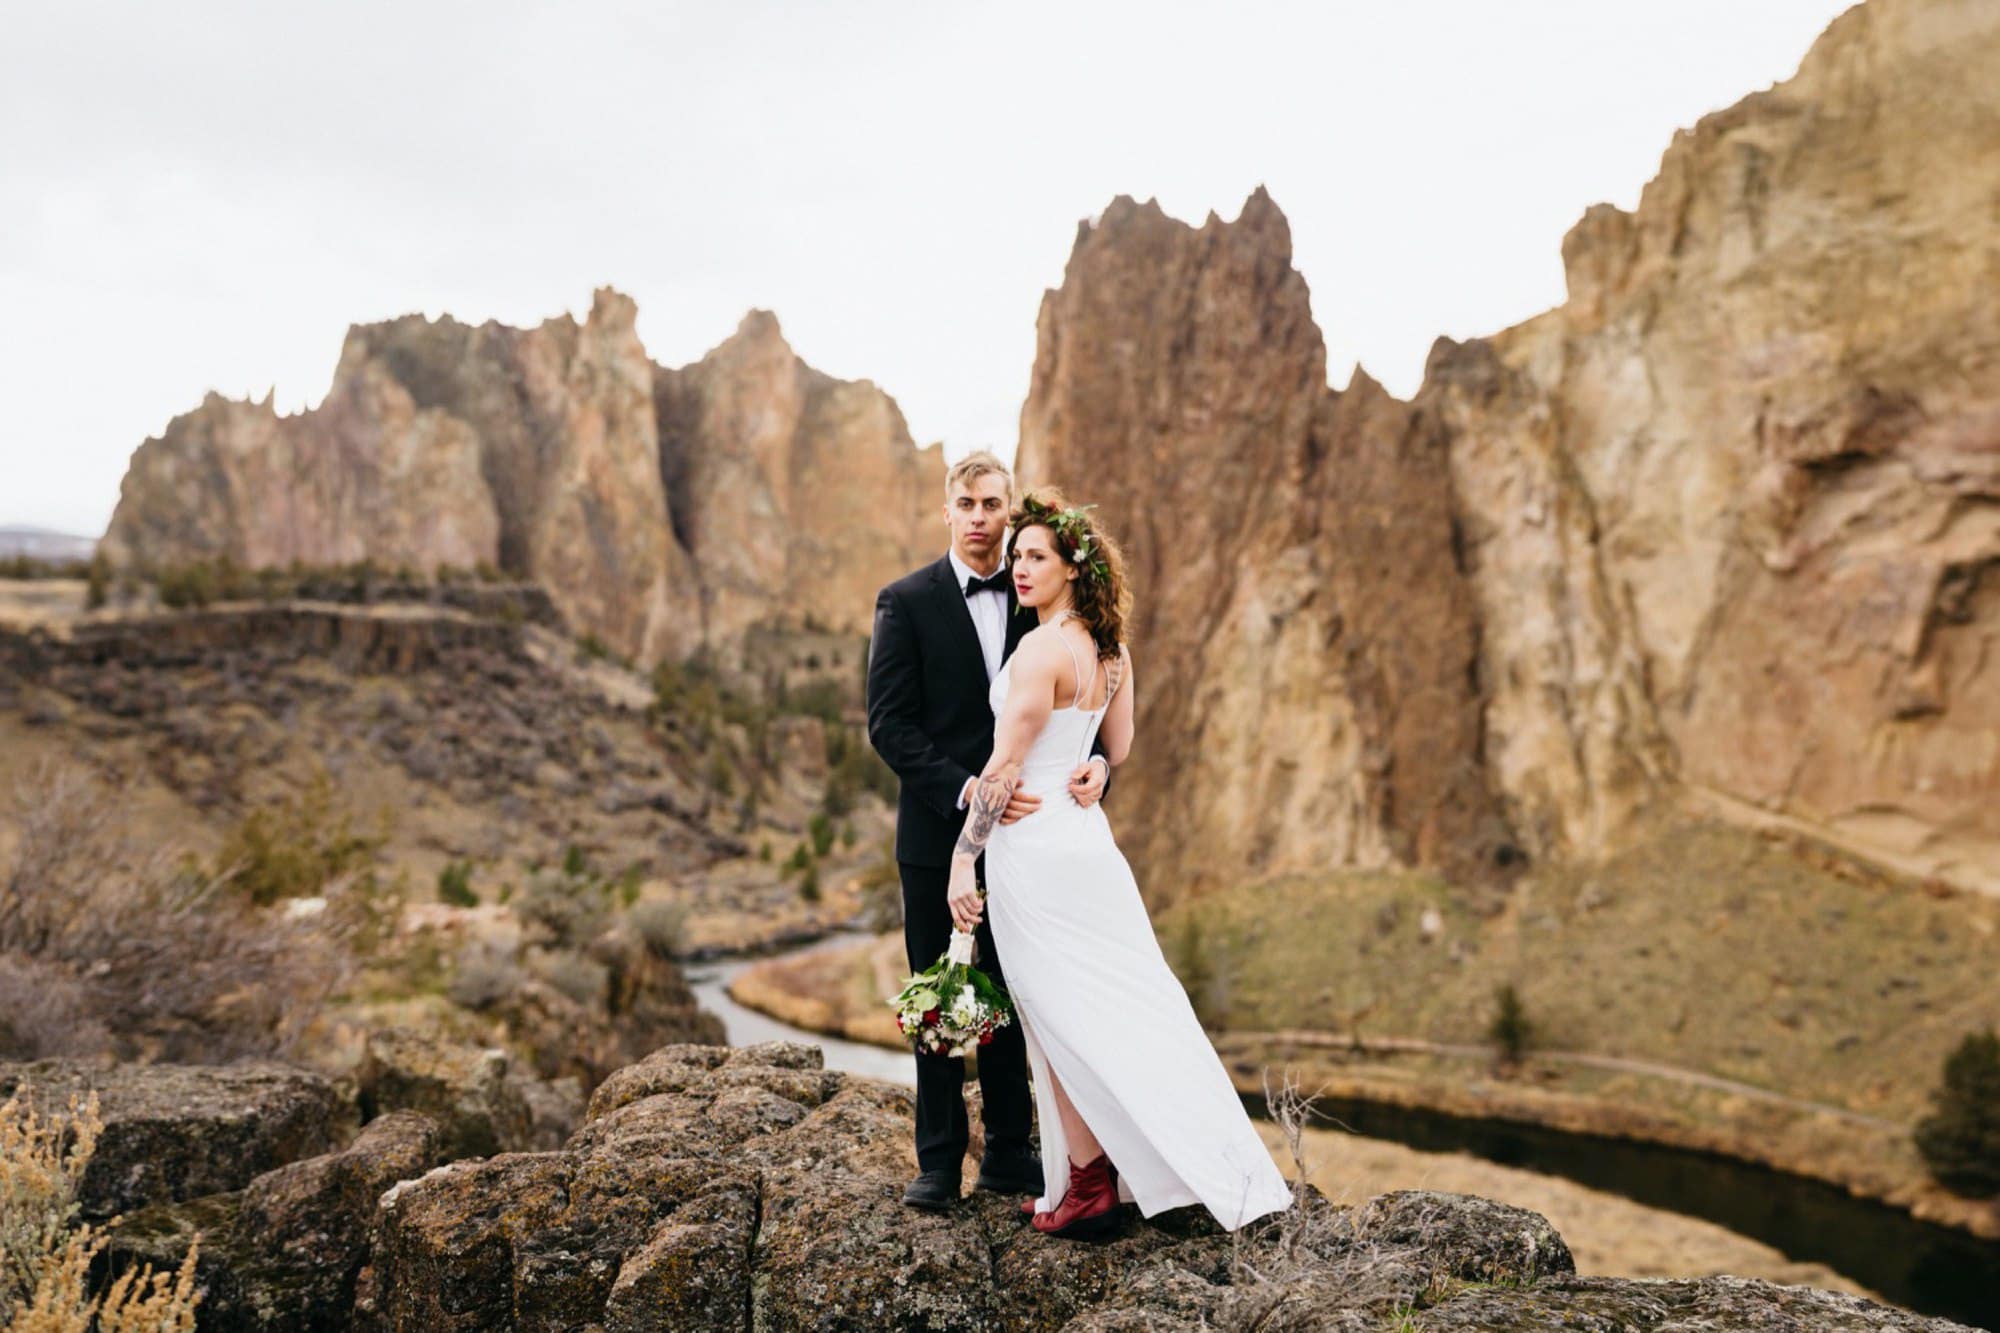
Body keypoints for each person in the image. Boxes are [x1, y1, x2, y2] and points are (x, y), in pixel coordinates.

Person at [948, 487, 1293, 1241]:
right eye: (1016, 557)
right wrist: (1096, 767)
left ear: (1072, 564)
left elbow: (1003, 769)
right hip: (1089, 847)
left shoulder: (1039, 650)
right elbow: (1120, 744)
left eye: (1036, 555)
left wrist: (958, 860)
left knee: (1054, 1014)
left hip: (1034, 854)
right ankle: (1147, 1170)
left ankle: (1089, 1183)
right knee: (1133, 1002)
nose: (1020, 568)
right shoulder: (1111, 651)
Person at [865, 452, 1111, 1212]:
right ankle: (938, 1162)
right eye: (966, 502)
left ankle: (1009, 1150)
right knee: (940, 994)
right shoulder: (904, 601)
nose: (979, 516)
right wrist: (970, 790)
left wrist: (1098, 761)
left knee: (1014, 987)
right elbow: (888, 726)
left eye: (992, 503)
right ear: (947, 511)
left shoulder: (1036, 594)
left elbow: (1081, 701)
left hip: (1030, 839)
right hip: (938, 833)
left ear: (1010, 512)